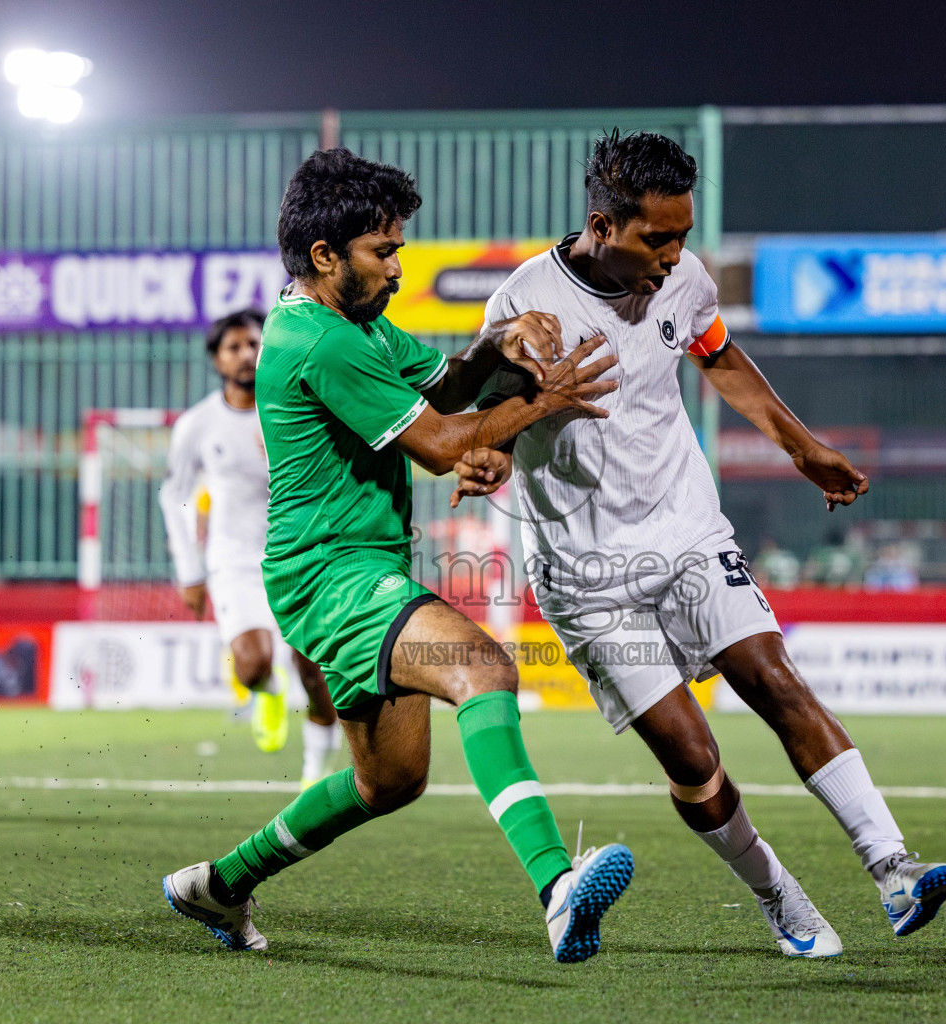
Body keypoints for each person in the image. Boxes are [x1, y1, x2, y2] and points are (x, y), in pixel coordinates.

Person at [458, 130, 946, 959]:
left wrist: (800, 444)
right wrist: (491, 453)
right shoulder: (527, 303)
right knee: (694, 756)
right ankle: (778, 894)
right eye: (657, 238)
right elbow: (494, 415)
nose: (674, 256)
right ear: (603, 224)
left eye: (683, 236)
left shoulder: (684, 282)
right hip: (586, 572)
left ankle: (893, 868)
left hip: (687, 531)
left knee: (775, 678)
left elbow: (718, 357)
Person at [162, 148, 632, 960]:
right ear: (325, 255)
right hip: (330, 575)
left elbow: (446, 391)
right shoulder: (318, 342)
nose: (397, 267)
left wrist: (493, 349)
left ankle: (219, 884)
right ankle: (558, 888)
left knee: (392, 780)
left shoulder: (357, 324)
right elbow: (445, 442)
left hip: (349, 571)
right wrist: (541, 401)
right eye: (384, 252)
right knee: (484, 669)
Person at [159, 309, 342, 771]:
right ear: (216, 359)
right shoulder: (196, 425)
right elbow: (174, 495)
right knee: (254, 665)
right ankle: (270, 692)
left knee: (315, 669)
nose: (246, 355)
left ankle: (314, 771)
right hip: (233, 560)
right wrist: (190, 572)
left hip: (302, 555)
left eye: (254, 345)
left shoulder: (296, 410)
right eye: (233, 347)